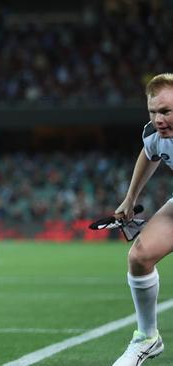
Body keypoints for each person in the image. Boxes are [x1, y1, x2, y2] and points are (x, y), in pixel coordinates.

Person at [112, 73, 173, 366]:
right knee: (140, 255)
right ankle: (147, 338)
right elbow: (150, 154)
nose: (158, 119)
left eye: (166, 111)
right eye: (153, 111)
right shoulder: (154, 133)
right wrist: (130, 198)